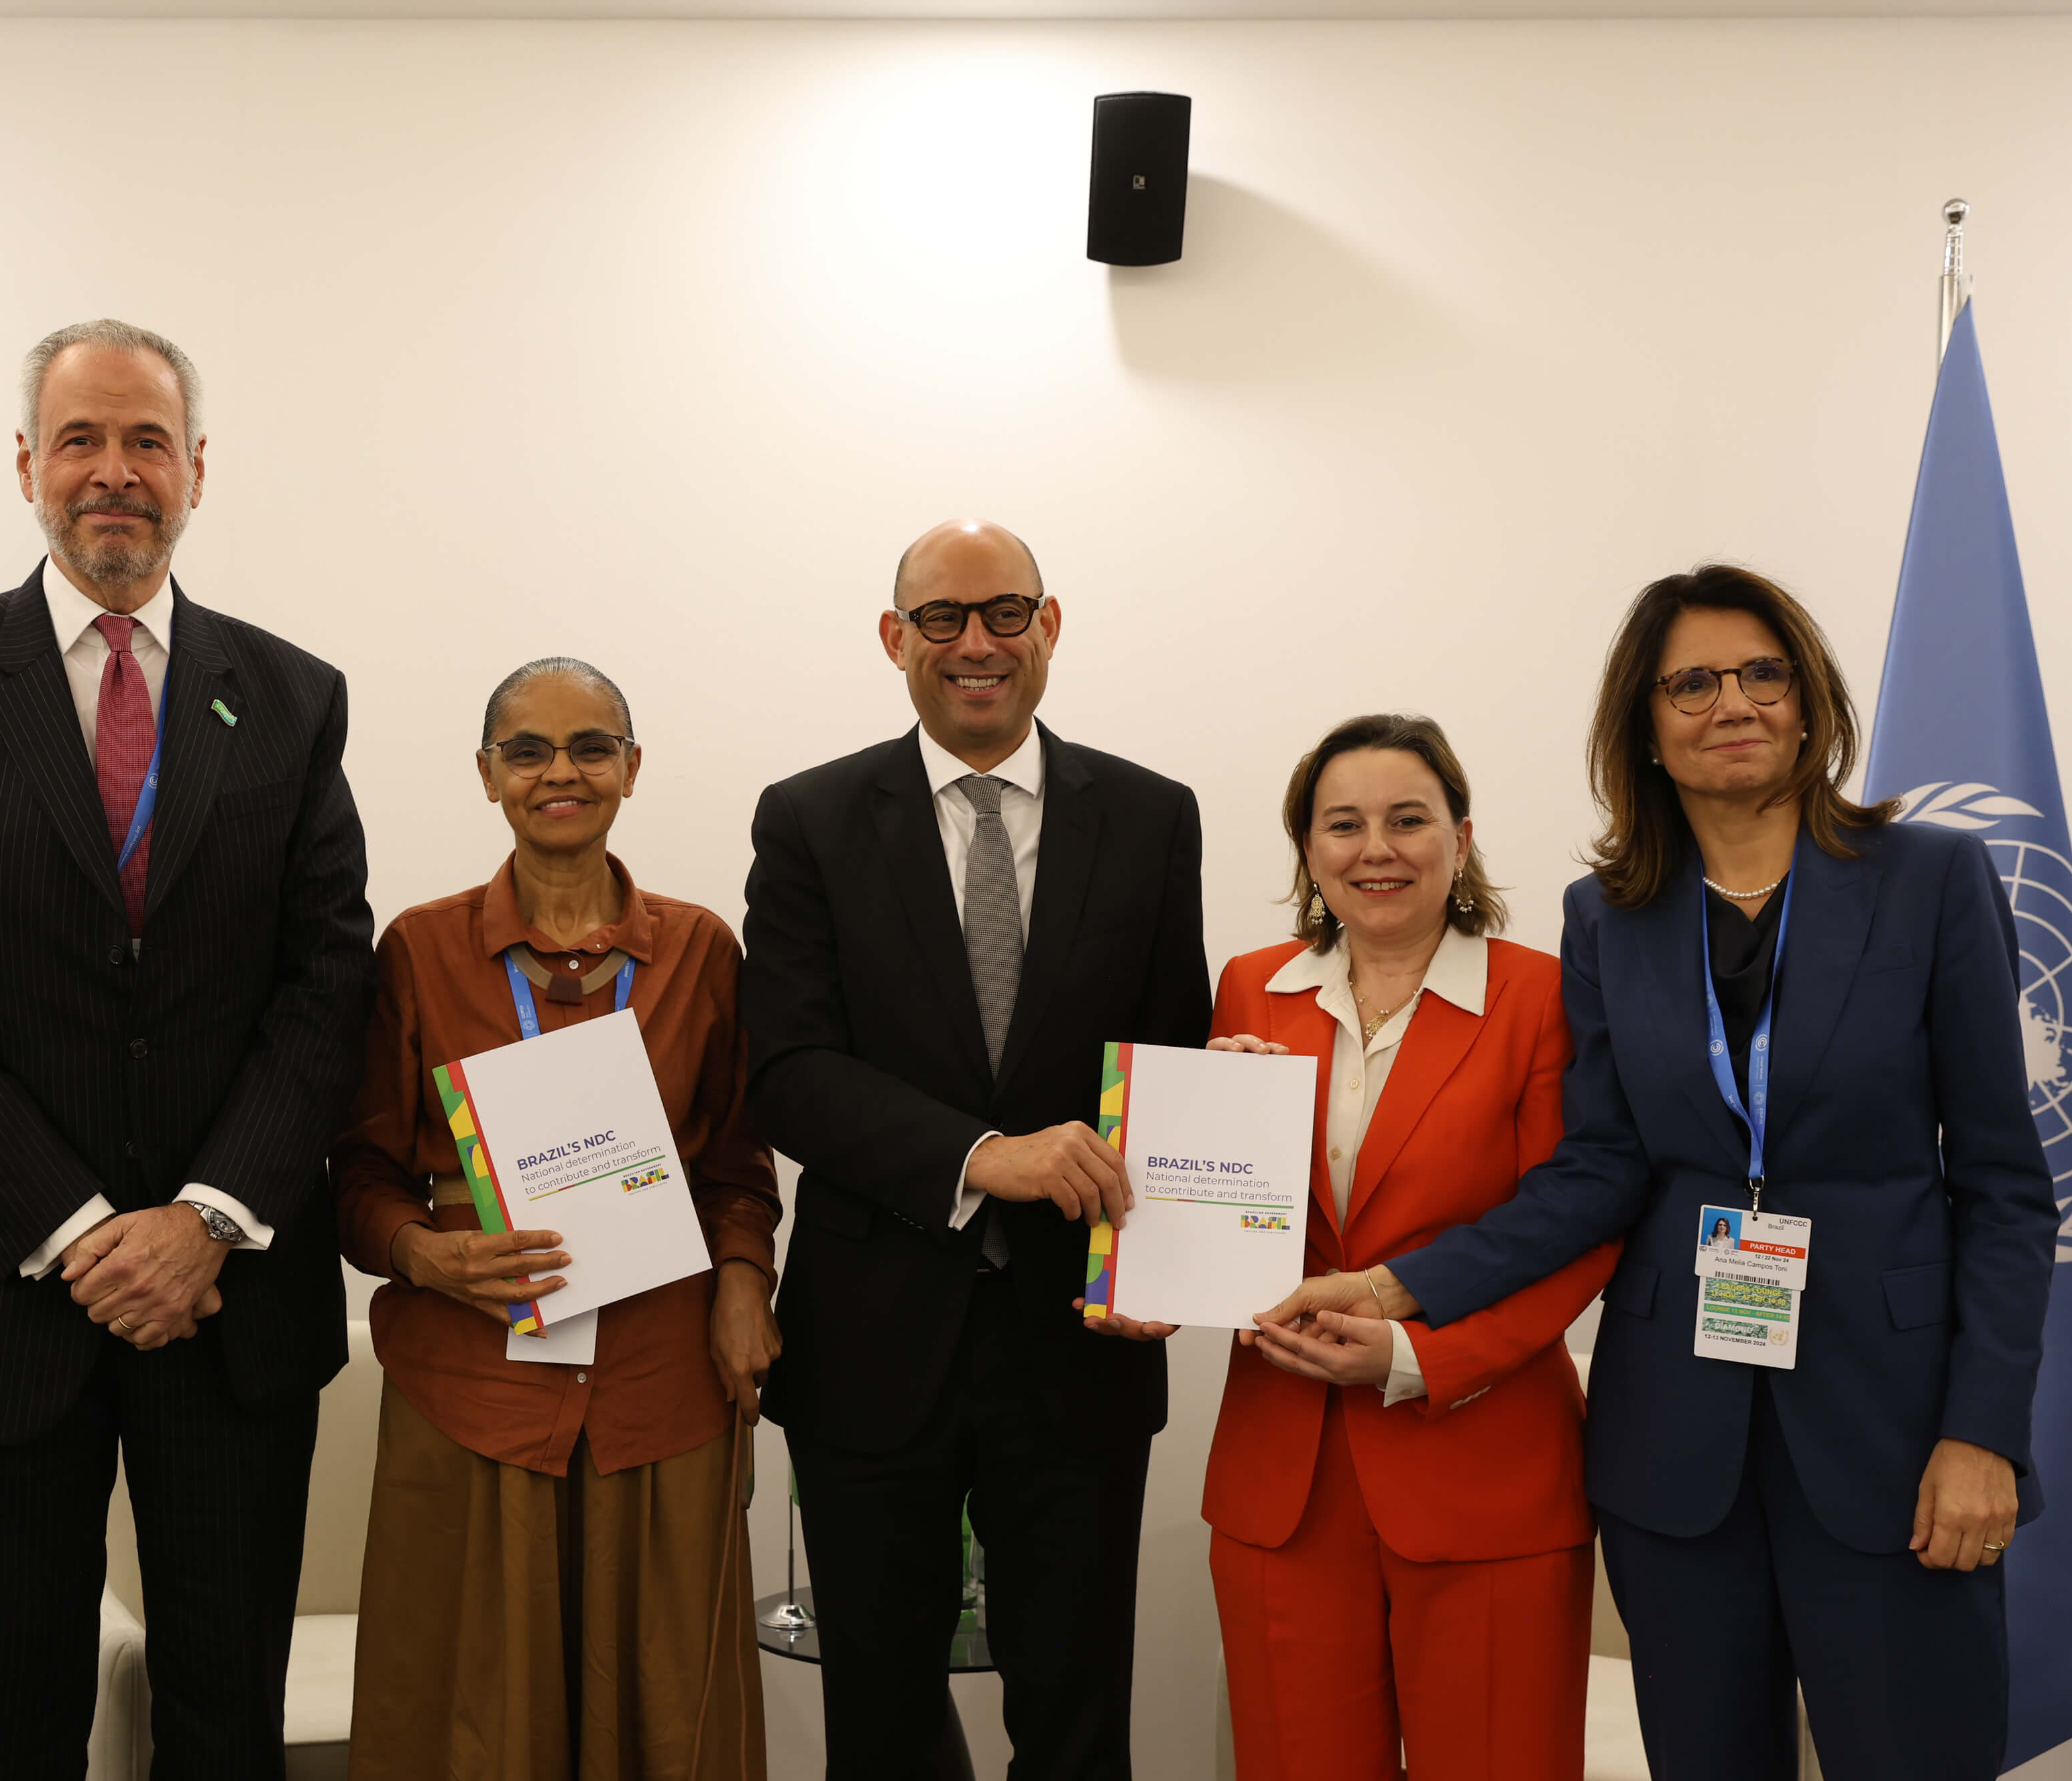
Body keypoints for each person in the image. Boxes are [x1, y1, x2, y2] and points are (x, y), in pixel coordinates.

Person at [1298, 565, 2057, 1779]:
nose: (1732, 703)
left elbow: (2008, 1185)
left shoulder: (1929, 881)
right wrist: (1400, 1286)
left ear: (1809, 705)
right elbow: (1600, 1168)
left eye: (1763, 673)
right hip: (1676, 1448)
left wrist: (1985, 1435)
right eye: (1690, 683)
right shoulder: (1609, 914)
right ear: (1645, 729)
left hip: (1895, 1436)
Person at [0, 319, 375, 1778]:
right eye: (82, 439)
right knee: (12, 1730)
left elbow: (327, 987)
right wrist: (83, 1232)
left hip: (231, 1304)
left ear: (197, 470)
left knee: (224, 1722)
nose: (114, 472)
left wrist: (204, 1219)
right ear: (27, 466)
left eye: (146, 441)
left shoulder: (293, 694)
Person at [740, 519, 1210, 1780]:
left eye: (1006, 611)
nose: (977, 644)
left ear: (1051, 625)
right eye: (941, 619)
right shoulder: (811, 820)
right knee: (882, 1728)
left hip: (1082, 1349)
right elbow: (786, 1074)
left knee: (1075, 1720)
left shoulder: (1156, 818)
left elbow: (1169, 1066)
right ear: (894, 641)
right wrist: (977, 1156)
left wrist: (1193, 1212)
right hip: (872, 1347)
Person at [333, 657, 781, 1781]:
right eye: (527, 751)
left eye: (589, 747)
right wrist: (424, 1256)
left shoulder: (700, 951)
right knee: (475, 1716)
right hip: (475, 1383)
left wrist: (744, 1285)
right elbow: (356, 1175)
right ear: (488, 777)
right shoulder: (420, 952)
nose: (560, 772)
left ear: (632, 768)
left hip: (664, 1382)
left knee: (673, 1707)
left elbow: (737, 1164)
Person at [1200, 714, 1619, 1781]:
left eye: (1407, 820)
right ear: (1307, 850)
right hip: (1282, 1471)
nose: (1374, 849)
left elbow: (1577, 1226)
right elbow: (1220, 1212)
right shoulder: (1251, 988)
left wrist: (1418, 1357)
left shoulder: (1544, 994)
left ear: (1462, 839)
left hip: (1483, 1462)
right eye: (1342, 824)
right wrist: (1196, 1139)